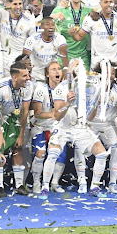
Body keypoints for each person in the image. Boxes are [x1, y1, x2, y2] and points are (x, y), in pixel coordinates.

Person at [37, 59, 110, 198]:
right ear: (70, 70)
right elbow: (57, 116)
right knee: (53, 153)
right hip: (62, 127)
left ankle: (94, 187)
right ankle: (45, 187)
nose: (79, 68)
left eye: (82, 65)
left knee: (101, 153)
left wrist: (96, 103)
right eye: (76, 65)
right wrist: (67, 103)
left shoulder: (88, 87)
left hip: (80, 127)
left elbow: (89, 118)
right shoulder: (61, 88)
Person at [87, 61, 117, 193]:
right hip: (90, 124)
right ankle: (82, 181)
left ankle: (112, 183)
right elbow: (85, 114)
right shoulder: (90, 87)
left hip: (108, 125)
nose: (110, 76)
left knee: (116, 148)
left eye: (113, 73)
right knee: (80, 150)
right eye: (107, 72)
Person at [0, 63, 33, 197]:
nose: (28, 78)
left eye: (28, 74)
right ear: (15, 77)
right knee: (0, 149)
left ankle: (19, 185)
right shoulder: (0, 88)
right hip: (1, 119)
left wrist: (21, 134)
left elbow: (25, 110)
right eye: (25, 76)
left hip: (16, 119)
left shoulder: (28, 86)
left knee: (18, 149)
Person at [30, 62, 68, 193]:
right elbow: (37, 113)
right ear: (47, 74)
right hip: (40, 126)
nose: (57, 71)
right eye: (53, 69)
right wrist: (52, 114)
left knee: (61, 154)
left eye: (59, 69)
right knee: (40, 153)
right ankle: (36, 183)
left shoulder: (66, 88)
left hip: (56, 127)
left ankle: (55, 183)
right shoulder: (41, 89)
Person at [71, 0, 117, 66]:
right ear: (100, 3)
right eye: (105, 2)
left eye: (111, 2)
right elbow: (79, 37)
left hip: (115, 62)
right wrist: (73, 34)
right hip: (97, 63)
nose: (109, 4)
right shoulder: (91, 18)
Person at [51, 0, 93, 68]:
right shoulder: (61, 9)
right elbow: (47, 22)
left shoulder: (89, 11)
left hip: (83, 56)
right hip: (64, 55)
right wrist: (54, 16)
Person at [23, 17, 69, 81]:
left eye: (53, 25)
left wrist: (66, 68)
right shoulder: (33, 39)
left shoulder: (59, 38)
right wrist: (27, 73)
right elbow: (25, 57)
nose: (51, 27)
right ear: (41, 27)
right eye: (47, 24)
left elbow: (64, 53)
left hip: (52, 76)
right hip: (36, 76)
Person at [0, 0, 35, 72]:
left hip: (19, 60)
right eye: (15, 4)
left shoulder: (29, 20)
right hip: (2, 60)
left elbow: (33, 42)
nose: (18, 7)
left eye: (20, 4)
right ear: (8, 5)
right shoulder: (2, 14)